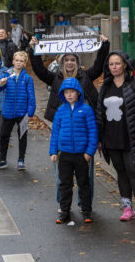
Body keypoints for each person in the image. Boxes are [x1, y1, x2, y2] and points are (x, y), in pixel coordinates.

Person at [29, 35, 109, 211]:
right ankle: (63, 204)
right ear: (62, 62)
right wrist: (33, 49)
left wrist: (104, 45)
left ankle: (85, 204)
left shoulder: (86, 76)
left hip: (83, 133)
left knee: (86, 175)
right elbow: (38, 69)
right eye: (67, 59)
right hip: (63, 134)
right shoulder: (55, 78)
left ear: (77, 62)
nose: (70, 63)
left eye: (73, 59)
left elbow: (100, 63)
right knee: (62, 174)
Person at [96, 50, 135, 225]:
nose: (114, 67)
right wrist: (99, 138)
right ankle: (127, 208)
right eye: (111, 64)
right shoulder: (105, 86)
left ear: (124, 65)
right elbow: (100, 113)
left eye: (117, 63)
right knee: (121, 173)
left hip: (133, 138)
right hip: (112, 138)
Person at [50, 77, 97, 224]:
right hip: (64, 154)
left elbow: (93, 132)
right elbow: (55, 132)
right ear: (62, 94)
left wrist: (89, 153)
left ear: (79, 93)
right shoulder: (60, 110)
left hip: (81, 155)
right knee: (65, 184)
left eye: (72, 92)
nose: (69, 95)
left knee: (84, 183)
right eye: (66, 92)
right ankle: (65, 211)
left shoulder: (86, 110)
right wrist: (53, 151)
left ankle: (86, 211)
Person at [0, 51, 36, 170]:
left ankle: (21, 160)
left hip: (22, 113)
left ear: (25, 63)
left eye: (21, 61)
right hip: (8, 112)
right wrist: (0, 83)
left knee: (22, 136)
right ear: (13, 61)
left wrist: (30, 113)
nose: (18, 63)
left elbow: (31, 97)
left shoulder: (27, 78)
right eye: (17, 60)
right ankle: (2, 160)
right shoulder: (6, 74)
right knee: (4, 136)